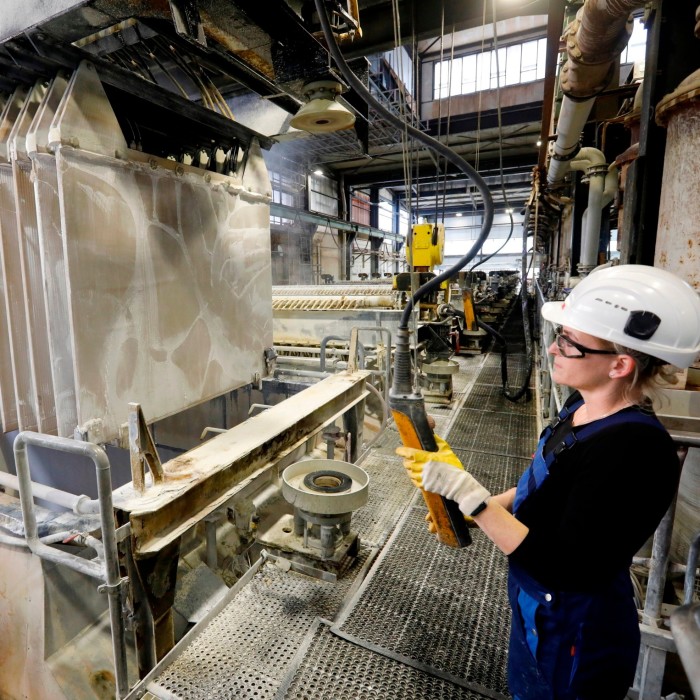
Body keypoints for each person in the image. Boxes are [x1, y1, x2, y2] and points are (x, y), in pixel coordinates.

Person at [398, 264, 700, 700]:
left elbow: (562, 566)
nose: (555, 349)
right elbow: (542, 490)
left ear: (619, 364)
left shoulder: (632, 450)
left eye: (570, 343)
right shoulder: (582, 405)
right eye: (560, 334)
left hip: (576, 630)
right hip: (540, 609)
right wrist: (475, 507)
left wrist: (475, 500)